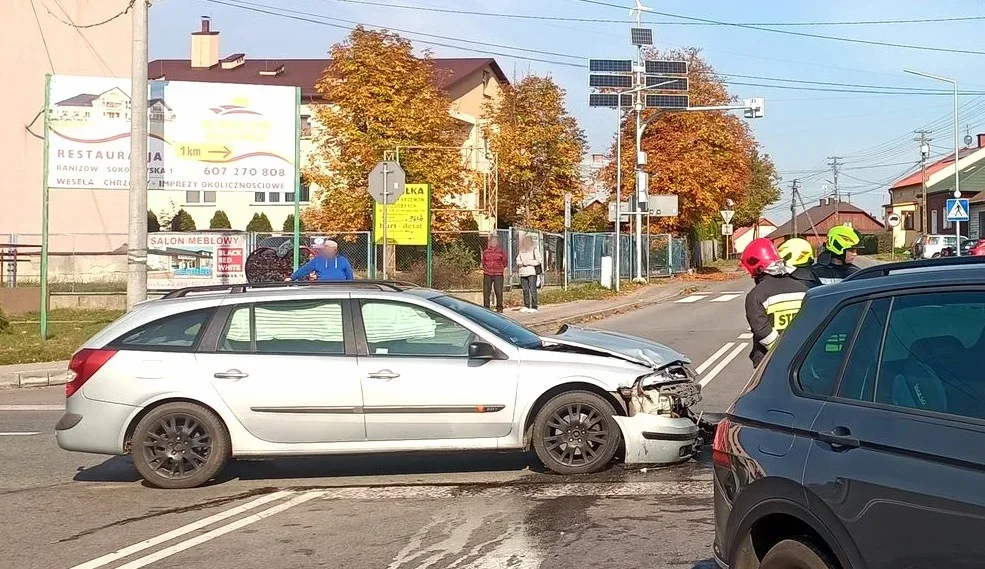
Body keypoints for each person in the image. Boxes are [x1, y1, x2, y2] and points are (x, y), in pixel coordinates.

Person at [741, 237, 811, 368]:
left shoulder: (756, 295)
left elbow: (762, 331)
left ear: (756, 267)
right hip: (803, 359)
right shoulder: (804, 290)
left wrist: (782, 352)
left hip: (769, 363)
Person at [285, 237, 354, 281]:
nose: (327, 250)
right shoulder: (317, 260)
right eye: (326, 248)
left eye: (330, 249)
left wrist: (349, 286)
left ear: (335, 250)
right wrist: (292, 278)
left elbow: (349, 276)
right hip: (322, 288)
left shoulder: (343, 260)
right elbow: (305, 269)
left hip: (340, 289)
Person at [481, 235, 508, 312]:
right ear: (489, 243)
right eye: (492, 241)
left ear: (497, 242)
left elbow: (505, 262)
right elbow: (483, 262)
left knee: (498, 291)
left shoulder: (501, 251)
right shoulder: (486, 251)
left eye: (495, 241)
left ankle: (499, 308)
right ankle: (486, 308)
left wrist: (500, 267)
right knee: (486, 291)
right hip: (487, 273)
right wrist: (486, 267)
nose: (493, 243)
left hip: (498, 273)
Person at [515, 235, 542, 313]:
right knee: (525, 289)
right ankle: (526, 305)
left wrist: (528, 262)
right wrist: (522, 263)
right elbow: (518, 260)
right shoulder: (521, 251)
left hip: (531, 272)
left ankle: (534, 306)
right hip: (523, 272)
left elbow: (539, 260)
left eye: (528, 241)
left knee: (532, 289)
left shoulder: (534, 250)